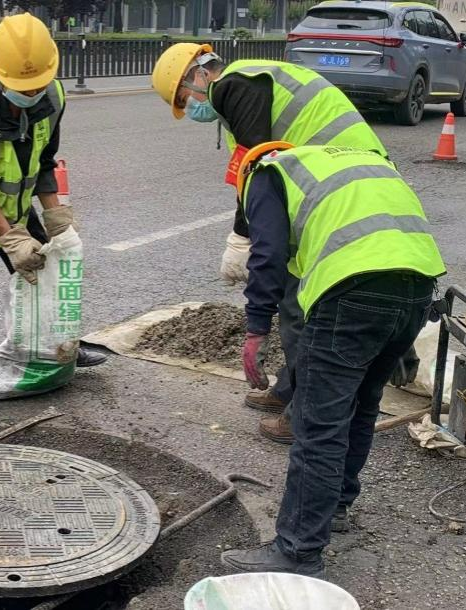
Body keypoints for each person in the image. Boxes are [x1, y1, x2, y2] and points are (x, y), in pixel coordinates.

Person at [151, 44, 418, 444]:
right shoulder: (249, 81)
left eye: (184, 97)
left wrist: (243, 236)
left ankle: (302, 415)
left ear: (197, 74)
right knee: (297, 292)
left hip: (341, 178)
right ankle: (289, 391)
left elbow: (258, 166)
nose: (190, 107)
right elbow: (257, 174)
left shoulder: (232, 86)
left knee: (299, 300)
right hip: (343, 171)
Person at [222, 142, 445, 576]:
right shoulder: (347, 163)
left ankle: (298, 551)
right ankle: (336, 509)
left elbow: (267, 255)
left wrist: (255, 329)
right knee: (361, 407)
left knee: (318, 425)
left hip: (354, 293)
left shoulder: (268, 174)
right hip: (418, 289)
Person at [0, 12, 106, 419]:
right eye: (20, 87)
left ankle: (59, 347)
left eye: (38, 84)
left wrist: (55, 216)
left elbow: (44, 160)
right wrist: (11, 239)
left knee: (45, 272)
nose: (31, 92)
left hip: (14, 204)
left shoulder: (54, 96)